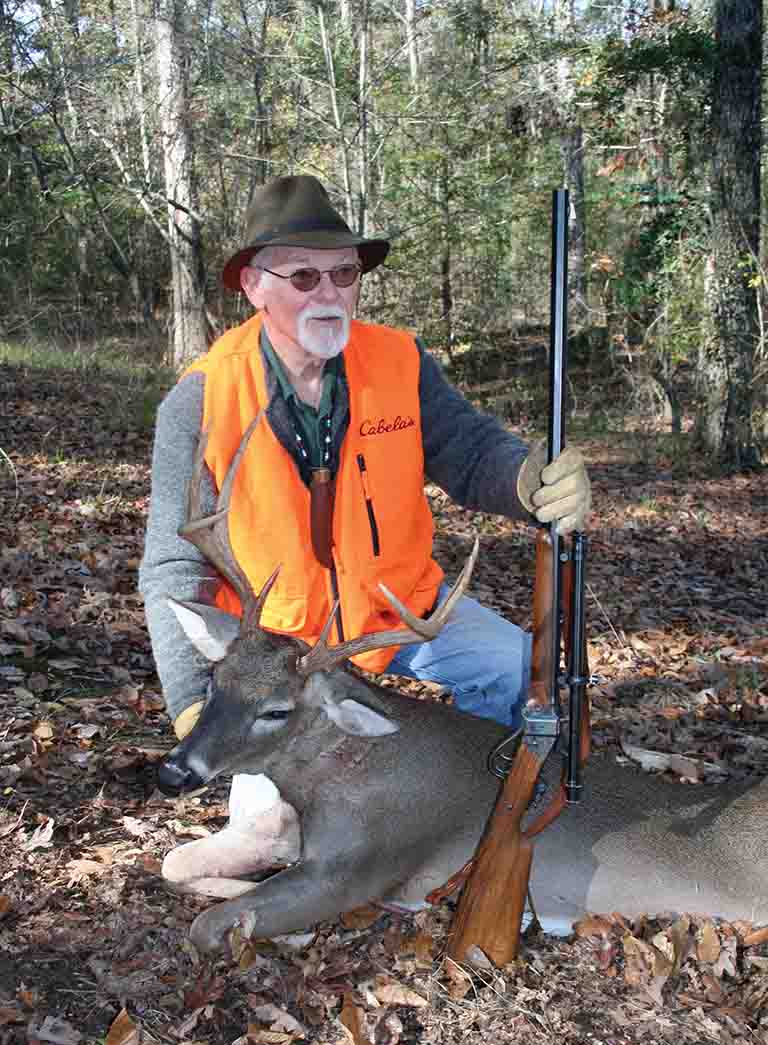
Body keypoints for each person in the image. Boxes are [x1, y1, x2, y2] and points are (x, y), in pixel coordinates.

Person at [139, 174, 590, 745]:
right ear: (254, 286)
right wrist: (189, 702)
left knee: (521, 670)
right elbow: (172, 569)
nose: (328, 294)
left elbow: (471, 452)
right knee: (277, 824)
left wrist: (533, 480)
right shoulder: (201, 401)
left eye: (345, 273)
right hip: (272, 645)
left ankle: (491, 806)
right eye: (303, 276)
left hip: (396, 612)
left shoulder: (398, 360)